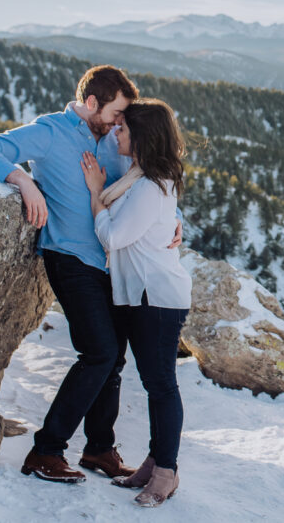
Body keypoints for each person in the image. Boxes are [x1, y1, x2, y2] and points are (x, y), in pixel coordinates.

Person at [0, 65, 181, 483]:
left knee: (113, 359)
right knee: (98, 352)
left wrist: (174, 217)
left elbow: (144, 180)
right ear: (92, 103)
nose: (122, 123)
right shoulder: (50, 132)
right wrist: (23, 179)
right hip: (69, 259)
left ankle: (100, 449)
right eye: (116, 113)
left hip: (112, 264)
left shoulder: (117, 143)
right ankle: (46, 451)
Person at [80, 98, 191, 507]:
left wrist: (95, 193)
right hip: (139, 296)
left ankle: (167, 472)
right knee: (153, 384)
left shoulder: (148, 186)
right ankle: (154, 463)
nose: (116, 133)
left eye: (123, 129)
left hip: (157, 298)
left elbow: (113, 237)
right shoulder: (140, 177)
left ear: (142, 136)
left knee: (161, 385)